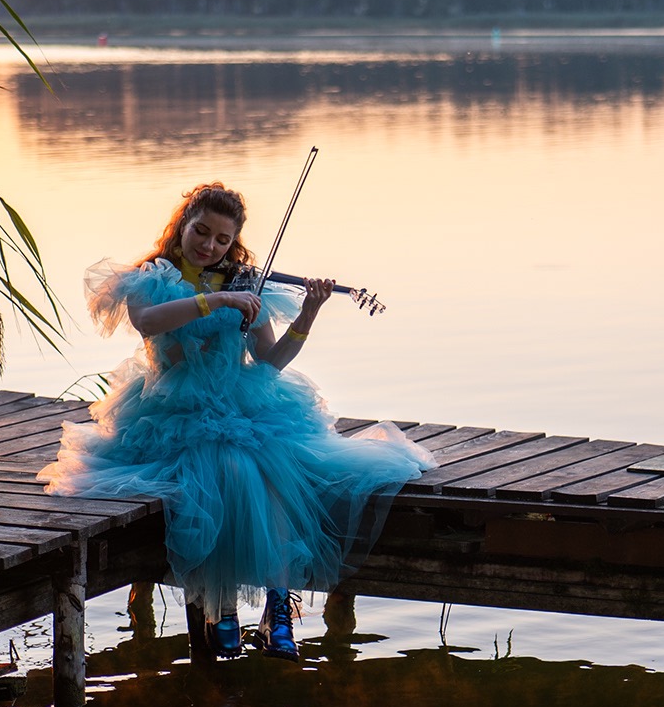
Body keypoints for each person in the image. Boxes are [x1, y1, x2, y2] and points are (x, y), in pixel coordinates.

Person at [38, 182, 432, 661]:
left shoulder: (245, 283)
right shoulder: (152, 277)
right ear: (182, 225)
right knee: (227, 467)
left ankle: (277, 608)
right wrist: (217, 302)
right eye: (201, 232)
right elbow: (148, 322)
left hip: (242, 402)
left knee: (273, 468)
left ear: (233, 242)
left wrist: (307, 315)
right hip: (172, 412)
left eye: (222, 240)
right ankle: (221, 608)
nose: (209, 246)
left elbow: (269, 361)